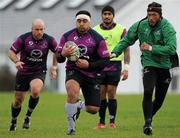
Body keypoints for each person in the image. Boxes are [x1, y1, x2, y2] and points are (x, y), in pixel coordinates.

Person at [112, 2, 178, 135]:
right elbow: (127, 40)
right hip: (149, 63)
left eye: (154, 15)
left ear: (160, 15)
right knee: (148, 91)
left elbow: (172, 48)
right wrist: (115, 51)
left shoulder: (167, 27)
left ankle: (148, 118)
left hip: (165, 66)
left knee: (159, 101)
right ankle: (148, 124)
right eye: (149, 15)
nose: (151, 18)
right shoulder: (140, 25)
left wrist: (152, 48)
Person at [50, 10, 110, 135]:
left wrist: (89, 65)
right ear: (76, 22)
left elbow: (105, 61)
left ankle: (78, 105)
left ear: (89, 22)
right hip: (74, 70)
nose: (81, 23)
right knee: (72, 92)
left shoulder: (98, 38)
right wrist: (63, 54)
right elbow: (59, 58)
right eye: (79, 21)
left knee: (93, 109)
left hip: (91, 74)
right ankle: (71, 128)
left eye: (84, 21)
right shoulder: (67, 36)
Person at [8, 18, 58, 131]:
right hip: (23, 72)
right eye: (37, 29)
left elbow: (57, 52)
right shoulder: (24, 38)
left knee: (35, 91)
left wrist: (54, 67)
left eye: (41, 29)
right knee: (18, 101)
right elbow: (11, 51)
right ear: (32, 29)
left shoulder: (49, 40)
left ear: (44, 29)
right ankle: (14, 120)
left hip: (39, 72)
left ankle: (27, 116)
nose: (39, 32)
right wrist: (16, 61)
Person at [93, 5, 130, 129]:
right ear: (102, 15)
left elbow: (126, 49)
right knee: (101, 93)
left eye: (109, 14)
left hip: (114, 64)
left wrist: (126, 68)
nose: (107, 16)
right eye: (105, 14)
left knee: (111, 92)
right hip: (100, 64)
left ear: (113, 16)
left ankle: (112, 122)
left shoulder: (121, 29)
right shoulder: (95, 30)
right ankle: (101, 122)